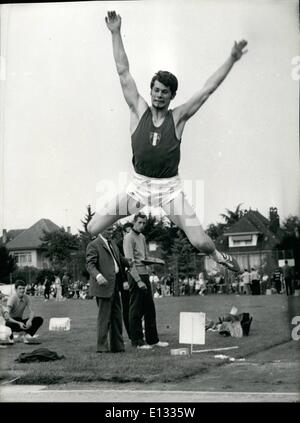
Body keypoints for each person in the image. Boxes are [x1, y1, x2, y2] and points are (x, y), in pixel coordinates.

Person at [87, 11, 247, 275]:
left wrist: (231, 59)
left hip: (169, 191)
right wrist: (115, 32)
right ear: (151, 91)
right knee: (93, 228)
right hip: (138, 188)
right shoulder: (139, 110)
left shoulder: (178, 117)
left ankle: (220, 255)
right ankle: (121, 261)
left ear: (172, 96)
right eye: (156, 90)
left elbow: (207, 89)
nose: (159, 95)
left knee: (200, 242)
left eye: (165, 92)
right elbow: (123, 71)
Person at [123, 212, 169, 350]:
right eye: (140, 223)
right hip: (135, 275)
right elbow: (130, 262)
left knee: (150, 308)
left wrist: (156, 262)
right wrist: (138, 281)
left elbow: (145, 257)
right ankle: (137, 342)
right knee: (136, 310)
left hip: (144, 275)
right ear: (134, 222)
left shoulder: (142, 237)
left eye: (144, 223)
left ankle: (153, 340)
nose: (142, 225)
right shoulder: (128, 238)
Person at [86, 226, 130, 353]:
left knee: (117, 317)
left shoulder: (113, 243)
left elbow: (119, 260)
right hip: (103, 286)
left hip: (115, 284)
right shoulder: (93, 245)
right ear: (101, 229)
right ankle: (102, 347)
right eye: (109, 229)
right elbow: (90, 264)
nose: (111, 232)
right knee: (104, 318)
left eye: (112, 230)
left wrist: (129, 261)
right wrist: (98, 276)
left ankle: (118, 346)